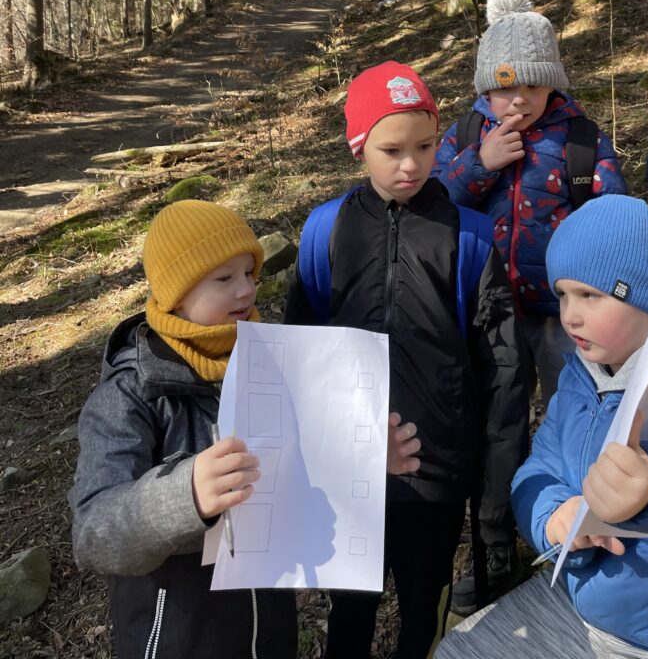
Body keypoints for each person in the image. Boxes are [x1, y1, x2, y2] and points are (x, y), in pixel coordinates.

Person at [69, 199, 421, 659]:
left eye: (250, 274)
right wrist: (185, 496)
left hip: (270, 629)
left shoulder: (270, 362)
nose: (246, 290)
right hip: (178, 637)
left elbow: (304, 461)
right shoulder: (131, 394)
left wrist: (365, 459)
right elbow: (93, 533)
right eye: (224, 278)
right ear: (176, 292)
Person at [436, 194, 648, 659]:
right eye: (563, 295)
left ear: (643, 294)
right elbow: (539, 469)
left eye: (590, 295)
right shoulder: (581, 374)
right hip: (596, 603)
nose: (569, 315)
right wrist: (554, 515)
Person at [283, 61, 528, 659]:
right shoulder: (325, 232)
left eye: (424, 146)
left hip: (436, 473)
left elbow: (503, 371)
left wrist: (495, 491)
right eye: (391, 150)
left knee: (425, 610)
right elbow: (298, 355)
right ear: (359, 148)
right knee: (349, 613)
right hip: (349, 472)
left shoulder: (470, 238)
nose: (411, 165)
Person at [433, 0, 626, 613]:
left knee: (581, 417)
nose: (517, 99)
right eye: (503, 87)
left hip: (565, 317)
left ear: (553, 84)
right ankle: (496, 544)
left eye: (532, 85)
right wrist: (478, 164)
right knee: (498, 428)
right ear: (484, 88)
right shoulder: (466, 134)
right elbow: (430, 203)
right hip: (488, 315)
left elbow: (614, 217)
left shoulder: (580, 140)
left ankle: (587, 529)